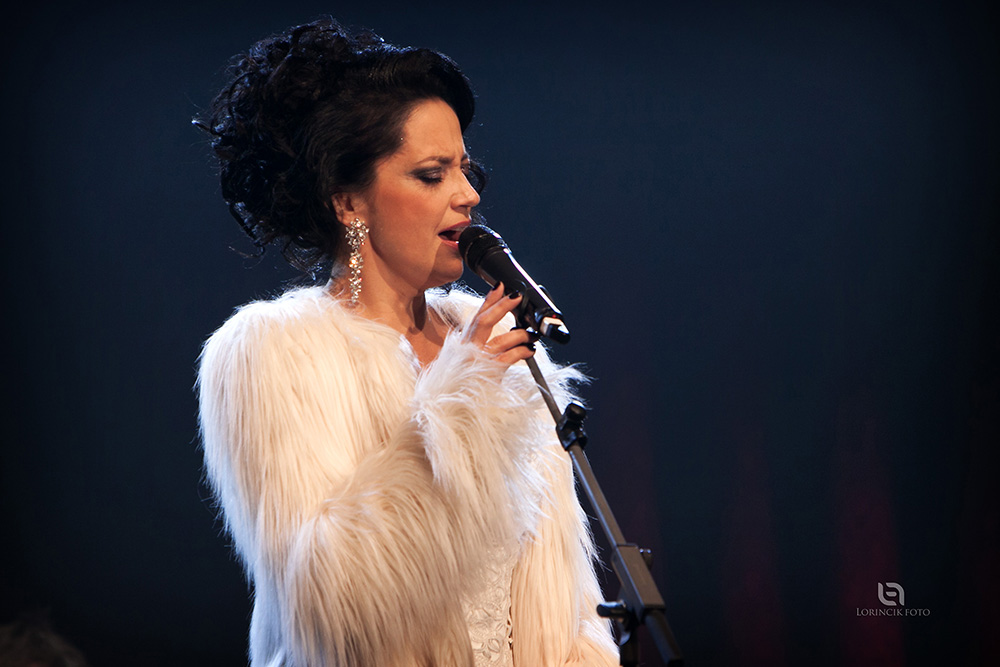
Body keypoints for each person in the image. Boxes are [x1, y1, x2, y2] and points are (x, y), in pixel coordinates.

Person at [195, 17, 618, 667]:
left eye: (465, 170)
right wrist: (462, 409)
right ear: (348, 202)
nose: (468, 195)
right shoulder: (271, 351)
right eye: (431, 174)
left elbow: (565, 598)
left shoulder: (491, 338)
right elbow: (330, 607)